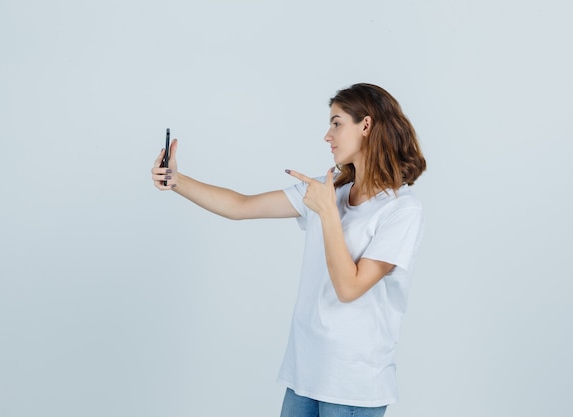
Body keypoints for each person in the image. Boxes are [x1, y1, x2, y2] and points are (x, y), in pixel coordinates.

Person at [151, 83, 427, 417]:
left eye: (337, 123)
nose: (328, 135)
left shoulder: (400, 210)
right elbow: (241, 206)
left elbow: (349, 287)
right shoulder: (329, 190)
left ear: (366, 125)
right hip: (306, 373)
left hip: (352, 384)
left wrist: (327, 213)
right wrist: (177, 180)